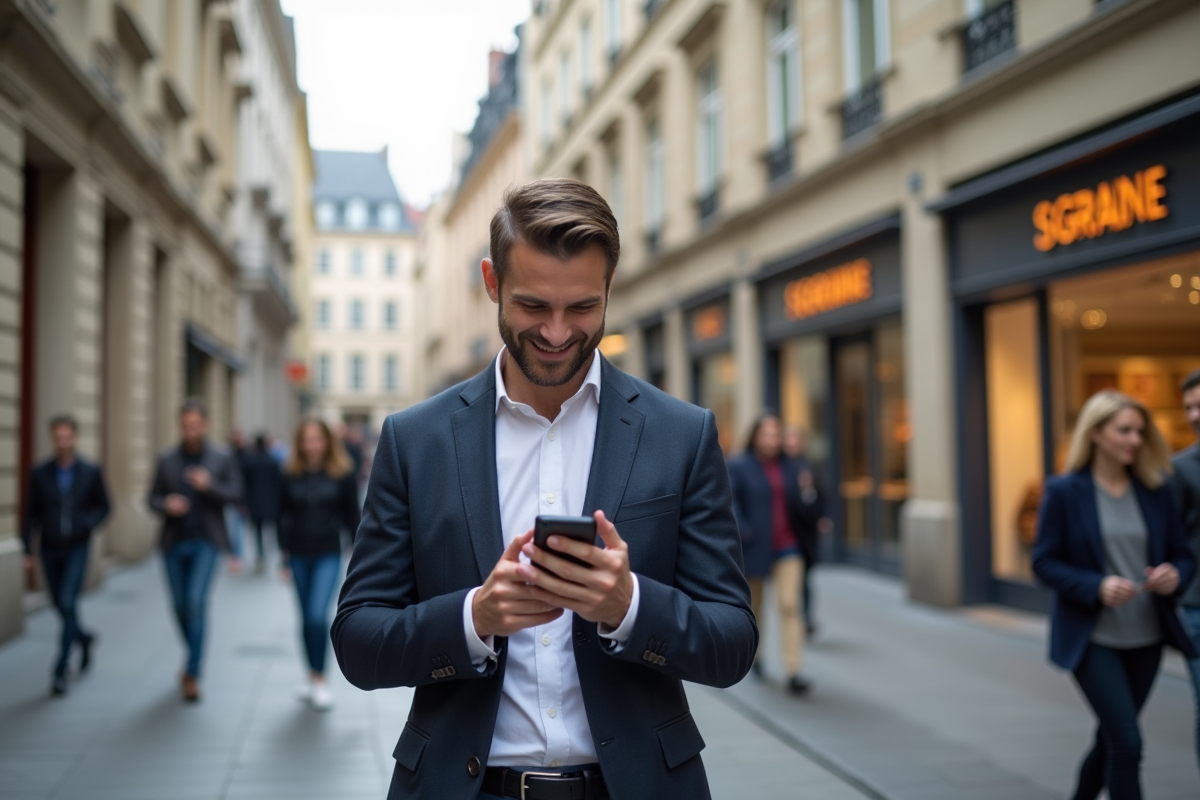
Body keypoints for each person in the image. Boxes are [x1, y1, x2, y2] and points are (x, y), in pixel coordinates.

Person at [332, 179, 756, 800]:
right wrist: (473, 618)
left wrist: (629, 605)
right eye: (533, 306)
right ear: (491, 283)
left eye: (582, 308)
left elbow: (732, 642)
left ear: (610, 288)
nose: (557, 334)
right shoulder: (414, 440)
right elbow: (358, 641)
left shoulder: (681, 435)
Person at [1032, 390, 1197, 800]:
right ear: (1096, 433)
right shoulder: (1065, 491)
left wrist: (1173, 573)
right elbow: (1043, 561)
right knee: (1128, 743)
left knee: (1111, 739)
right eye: (1125, 430)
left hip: (1145, 637)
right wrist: (1096, 585)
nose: (1135, 440)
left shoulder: (1154, 490)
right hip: (1093, 638)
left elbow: (1183, 552)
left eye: (1140, 431)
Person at [148, 398, 244, 702]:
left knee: (195, 601)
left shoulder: (220, 457)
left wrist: (209, 485)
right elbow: (152, 498)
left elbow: (236, 493)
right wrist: (166, 505)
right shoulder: (166, 459)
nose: (190, 431)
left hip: (207, 541)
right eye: (185, 425)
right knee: (178, 606)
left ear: (205, 425)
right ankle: (192, 655)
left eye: (195, 425)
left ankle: (193, 671)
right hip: (173, 543)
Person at [729, 414, 820, 695]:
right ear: (755, 436)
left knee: (789, 605)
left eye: (775, 434)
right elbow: (731, 501)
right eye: (766, 434)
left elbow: (809, 502)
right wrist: (742, 531)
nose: (772, 440)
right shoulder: (740, 465)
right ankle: (756, 658)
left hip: (788, 546)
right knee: (755, 609)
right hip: (756, 546)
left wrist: (809, 493)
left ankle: (794, 670)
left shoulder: (792, 466)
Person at [21, 415, 111, 696]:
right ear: (52, 439)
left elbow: (105, 507)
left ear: (75, 438)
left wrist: (86, 524)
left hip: (77, 546)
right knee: (60, 604)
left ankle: (60, 669)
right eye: (57, 437)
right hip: (49, 546)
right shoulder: (40, 472)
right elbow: (30, 513)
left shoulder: (89, 470)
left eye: (66, 437)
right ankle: (83, 639)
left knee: (68, 600)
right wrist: (27, 550)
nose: (62, 442)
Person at [278, 419, 360, 711]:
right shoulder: (289, 473)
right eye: (307, 440)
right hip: (298, 554)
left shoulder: (342, 473)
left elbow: (353, 515)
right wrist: (283, 555)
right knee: (304, 619)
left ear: (327, 442)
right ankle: (311, 675)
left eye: (317, 439)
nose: (312, 445)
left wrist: (358, 553)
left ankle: (321, 679)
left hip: (328, 553)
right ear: (300, 444)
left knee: (316, 616)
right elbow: (281, 516)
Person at [1170, 368, 1200, 773]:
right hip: (1197, 609)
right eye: (1190, 407)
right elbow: (1170, 541)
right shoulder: (1181, 469)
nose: (1194, 415)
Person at [781, 424, 829, 636]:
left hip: (803, 534)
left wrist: (807, 491)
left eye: (795, 438)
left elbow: (821, 498)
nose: (792, 443)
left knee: (804, 579)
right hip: (781, 534)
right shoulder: (777, 466)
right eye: (788, 438)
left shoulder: (808, 467)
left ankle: (806, 617)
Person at [242, 434, 283, 573]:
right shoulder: (272, 461)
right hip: (272, 500)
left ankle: (261, 556)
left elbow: (245, 483)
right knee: (274, 528)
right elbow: (279, 482)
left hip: (255, 501)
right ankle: (276, 553)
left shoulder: (249, 461)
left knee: (258, 530)